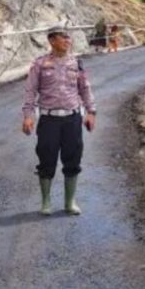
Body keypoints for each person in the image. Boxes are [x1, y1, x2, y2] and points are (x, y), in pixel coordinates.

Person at [22, 26, 96, 215]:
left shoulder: (76, 63)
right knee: (46, 160)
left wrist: (91, 112)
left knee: (73, 159)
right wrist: (28, 116)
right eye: (63, 37)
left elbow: (85, 89)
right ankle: (46, 203)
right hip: (49, 120)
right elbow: (30, 91)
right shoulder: (40, 64)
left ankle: (69, 202)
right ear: (52, 40)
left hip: (72, 119)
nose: (67, 40)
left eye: (68, 37)